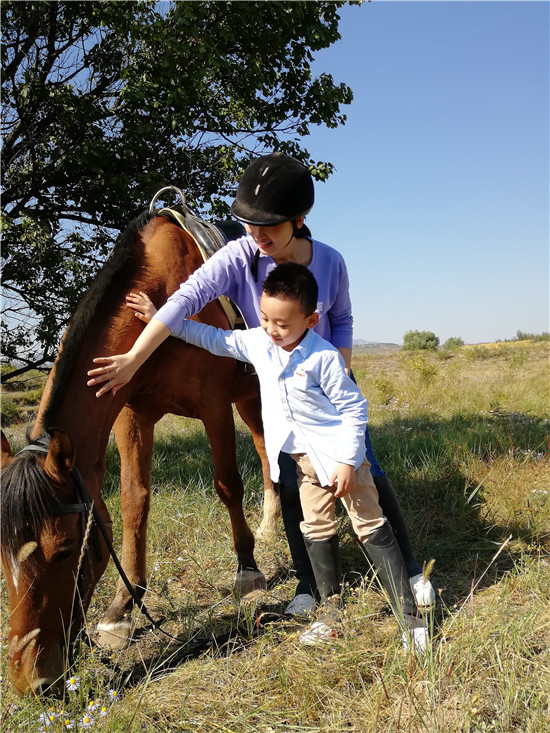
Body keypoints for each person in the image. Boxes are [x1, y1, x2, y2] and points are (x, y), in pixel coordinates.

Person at [87, 152, 435, 617]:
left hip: (327, 386)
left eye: (267, 227)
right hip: (280, 393)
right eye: (248, 225)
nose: (256, 236)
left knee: (365, 470)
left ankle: (411, 569)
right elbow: (187, 298)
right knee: (289, 481)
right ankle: (309, 585)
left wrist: (343, 370)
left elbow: (344, 318)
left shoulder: (330, 262)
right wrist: (134, 356)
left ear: (299, 219)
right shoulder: (239, 257)